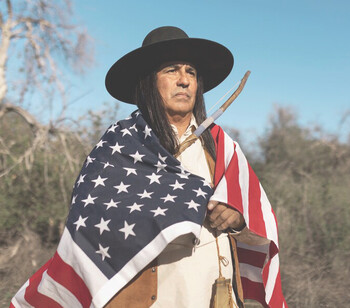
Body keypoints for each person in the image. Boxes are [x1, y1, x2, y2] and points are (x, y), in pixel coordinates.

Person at [11, 26, 287, 308]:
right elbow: (90, 219)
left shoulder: (221, 146)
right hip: (156, 298)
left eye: (190, 72)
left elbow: (256, 217)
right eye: (171, 70)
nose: (184, 81)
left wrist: (237, 218)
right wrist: (176, 203)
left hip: (218, 296)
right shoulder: (122, 143)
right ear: (148, 82)